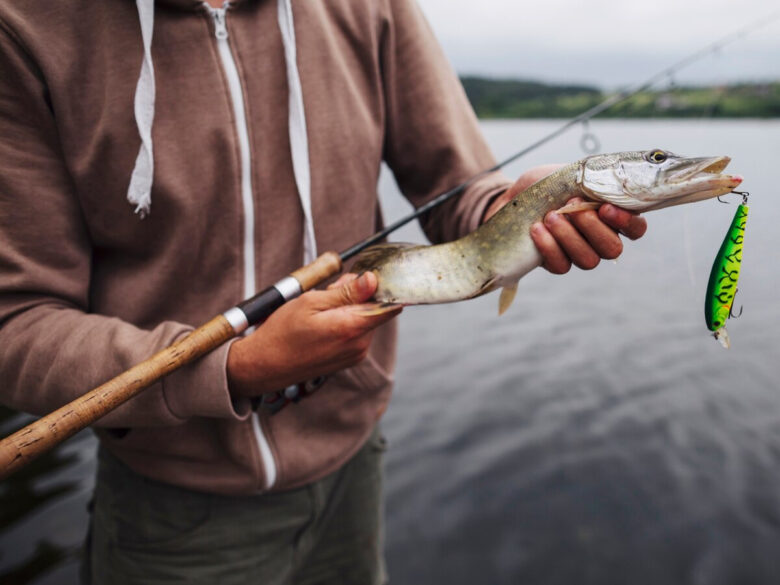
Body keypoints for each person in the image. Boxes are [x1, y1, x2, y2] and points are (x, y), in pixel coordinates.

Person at [0, 0, 646, 583]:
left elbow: (462, 186)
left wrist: (511, 210)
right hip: (172, 507)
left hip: (355, 469)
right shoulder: (26, 26)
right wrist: (235, 367)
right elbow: (17, 325)